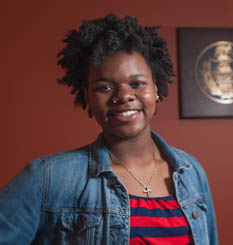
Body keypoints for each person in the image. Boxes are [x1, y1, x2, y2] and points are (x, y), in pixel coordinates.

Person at [0, 13, 218, 244]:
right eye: (105, 87)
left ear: (155, 89)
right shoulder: (48, 178)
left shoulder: (191, 171)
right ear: (87, 97)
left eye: (137, 84)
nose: (124, 96)